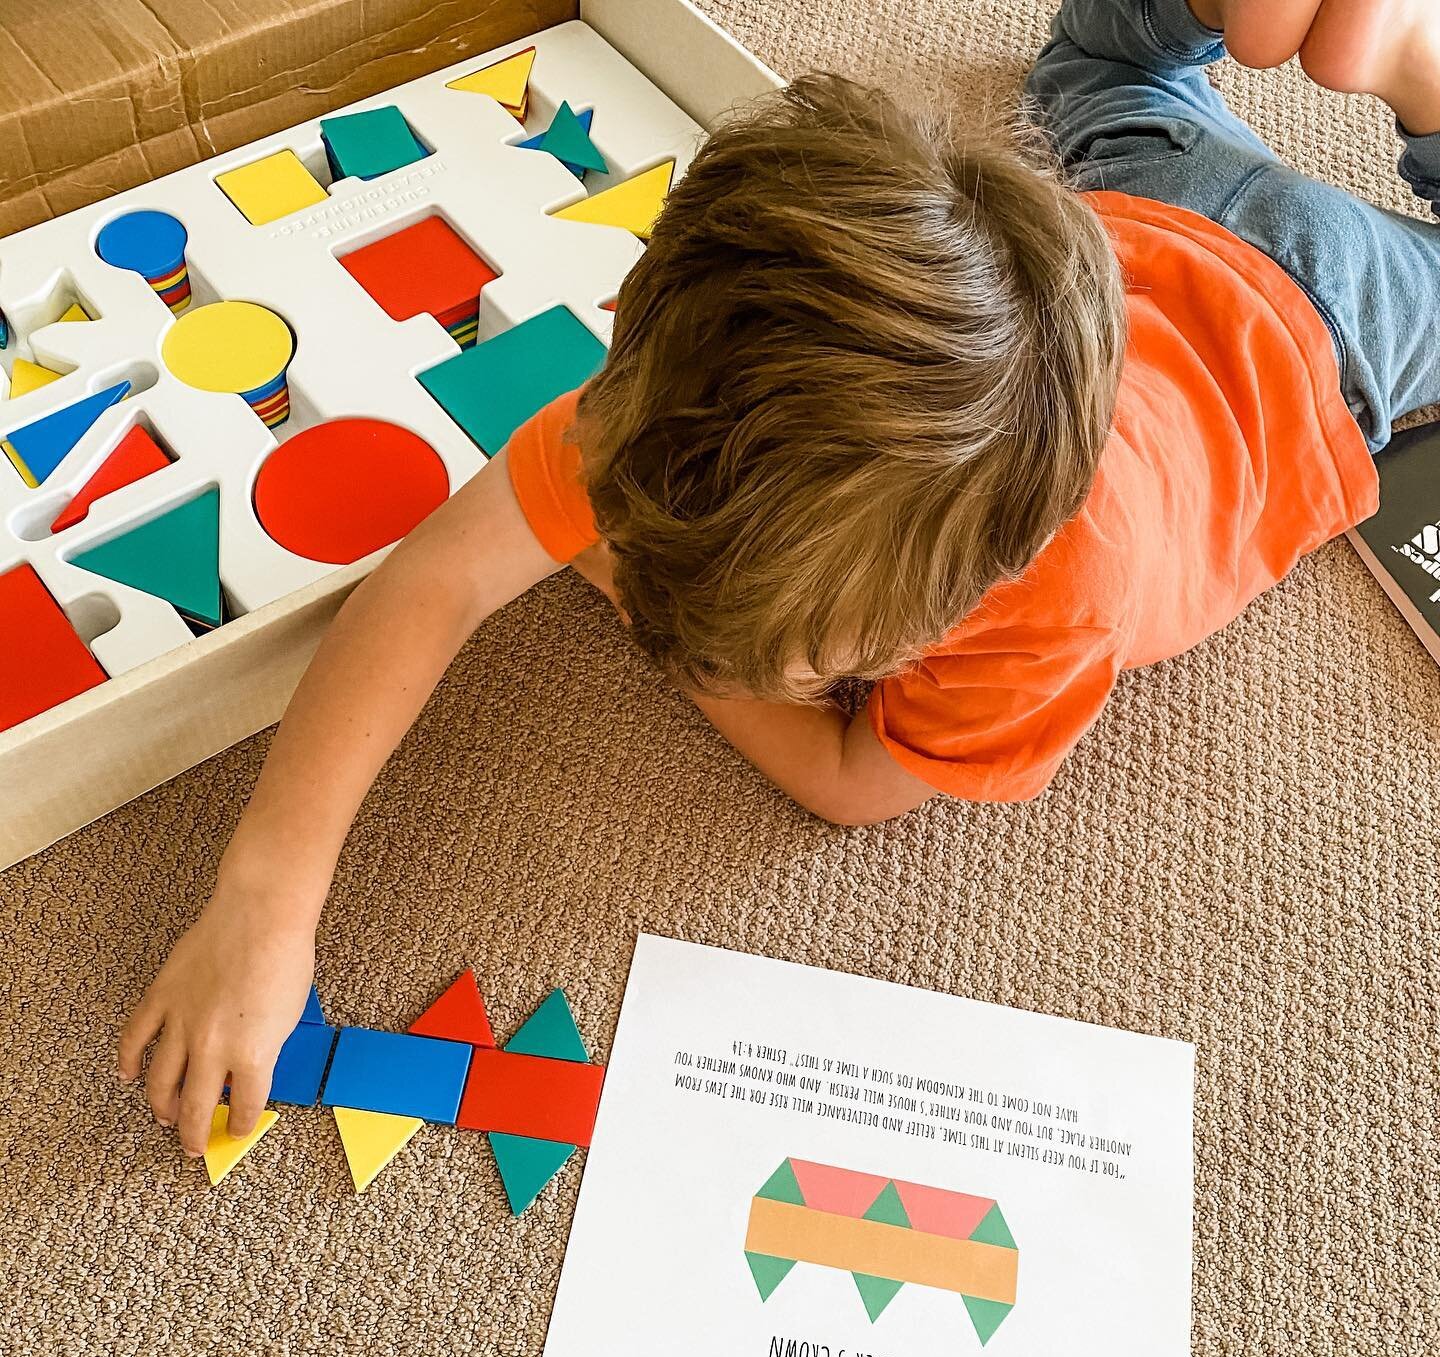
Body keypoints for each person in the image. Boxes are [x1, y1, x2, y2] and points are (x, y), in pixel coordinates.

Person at [119, 0, 1440, 1156]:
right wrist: (261, 901)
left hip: (1321, 337)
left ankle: (1410, 60)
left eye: (804, 654)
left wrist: (651, 615)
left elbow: (849, 782)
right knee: (1086, 79)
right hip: (1130, 210)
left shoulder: (1056, 605)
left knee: (1117, 93)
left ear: (952, 602)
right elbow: (428, 586)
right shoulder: (684, 421)